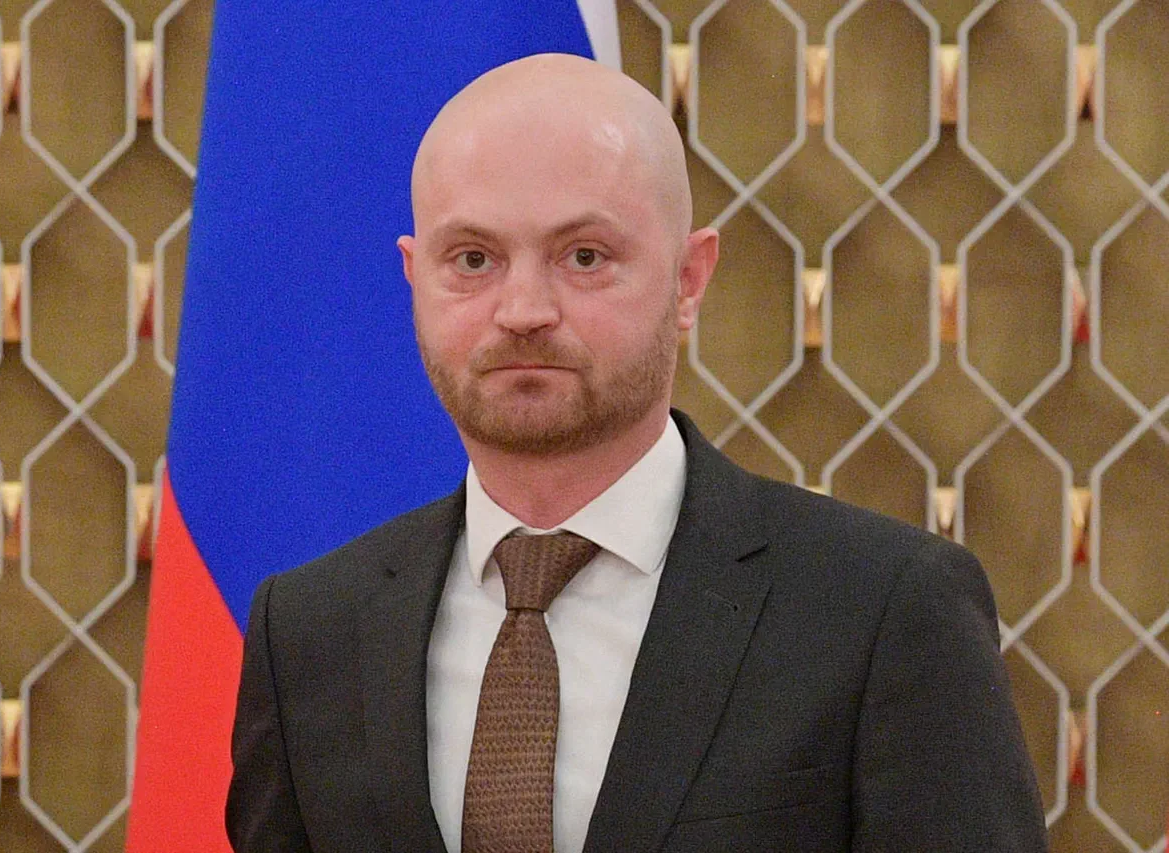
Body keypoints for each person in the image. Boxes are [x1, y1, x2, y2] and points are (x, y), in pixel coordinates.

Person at [225, 53, 1047, 852]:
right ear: (415, 276)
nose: (523, 309)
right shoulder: (307, 632)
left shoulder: (885, 610)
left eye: (584, 256)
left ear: (689, 279)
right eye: (473, 259)